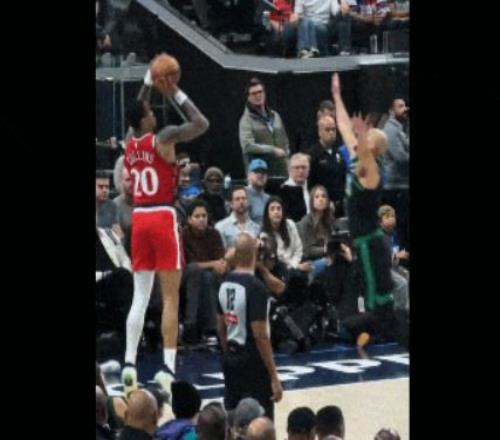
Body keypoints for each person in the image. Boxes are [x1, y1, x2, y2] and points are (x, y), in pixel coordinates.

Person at [121, 58, 210, 396]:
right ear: (146, 118)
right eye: (150, 110)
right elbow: (201, 123)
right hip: (162, 215)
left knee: (140, 296)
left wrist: (148, 80)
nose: (153, 112)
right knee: (171, 296)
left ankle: (129, 363)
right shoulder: (164, 137)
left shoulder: (130, 143)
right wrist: (173, 91)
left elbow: (136, 106)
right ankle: (168, 368)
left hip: (139, 218)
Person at [331, 72, 404, 349]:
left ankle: (357, 330)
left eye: (367, 138)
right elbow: (343, 126)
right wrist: (337, 96)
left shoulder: (373, 173)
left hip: (371, 244)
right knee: (377, 303)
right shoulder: (358, 157)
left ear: (374, 148)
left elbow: (363, 153)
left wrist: (362, 133)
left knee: (380, 305)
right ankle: (365, 332)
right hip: (364, 242)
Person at [216, 232, 283, 419]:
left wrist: (228, 353)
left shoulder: (224, 283)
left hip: (231, 357)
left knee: (233, 417)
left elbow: (220, 327)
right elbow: (260, 335)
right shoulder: (255, 287)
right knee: (261, 420)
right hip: (253, 360)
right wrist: (273, 376)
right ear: (256, 253)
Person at [182, 199, 228, 344]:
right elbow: (188, 265)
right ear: (189, 219)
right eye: (197, 216)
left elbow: (221, 260)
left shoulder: (214, 234)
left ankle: (213, 327)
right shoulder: (183, 235)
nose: (202, 219)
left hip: (211, 275)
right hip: (187, 276)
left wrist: (220, 265)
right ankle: (194, 325)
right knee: (197, 272)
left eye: (204, 216)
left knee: (210, 276)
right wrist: (212, 264)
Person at [239, 77, 290, 177]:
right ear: (248, 97)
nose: (258, 95)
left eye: (260, 92)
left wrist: (287, 157)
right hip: (259, 175)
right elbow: (247, 146)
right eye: (254, 93)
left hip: (282, 173)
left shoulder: (275, 116)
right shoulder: (246, 120)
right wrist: (272, 150)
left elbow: (285, 142)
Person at [246, 159, 271, 226]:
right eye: (257, 171)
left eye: (264, 172)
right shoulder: (242, 195)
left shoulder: (268, 198)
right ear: (249, 175)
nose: (261, 175)